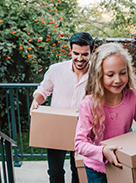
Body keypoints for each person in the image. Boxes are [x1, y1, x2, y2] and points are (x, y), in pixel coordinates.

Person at [74, 43, 136, 183]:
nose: (118, 80)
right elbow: (80, 143)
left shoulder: (133, 96)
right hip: (97, 168)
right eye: (110, 75)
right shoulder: (89, 104)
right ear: (98, 75)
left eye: (123, 73)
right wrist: (102, 151)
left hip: (123, 163)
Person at [30, 32, 94, 183]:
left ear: (92, 51)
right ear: (70, 50)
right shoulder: (56, 70)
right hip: (57, 127)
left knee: (78, 171)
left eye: (84, 54)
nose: (79, 58)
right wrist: (36, 102)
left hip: (83, 129)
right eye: (76, 53)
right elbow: (43, 90)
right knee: (55, 170)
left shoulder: (98, 73)